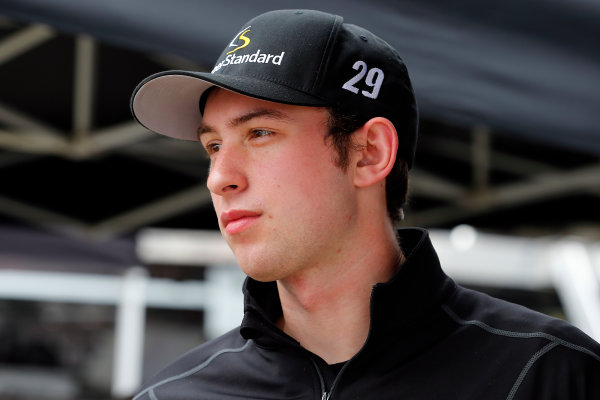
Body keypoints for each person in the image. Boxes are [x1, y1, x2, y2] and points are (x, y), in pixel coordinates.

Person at [130, 9, 600, 400]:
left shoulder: (550, 375)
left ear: (369, 153)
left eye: (260, 134)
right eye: (213, 146)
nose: (219, 178)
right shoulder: (170, 395)